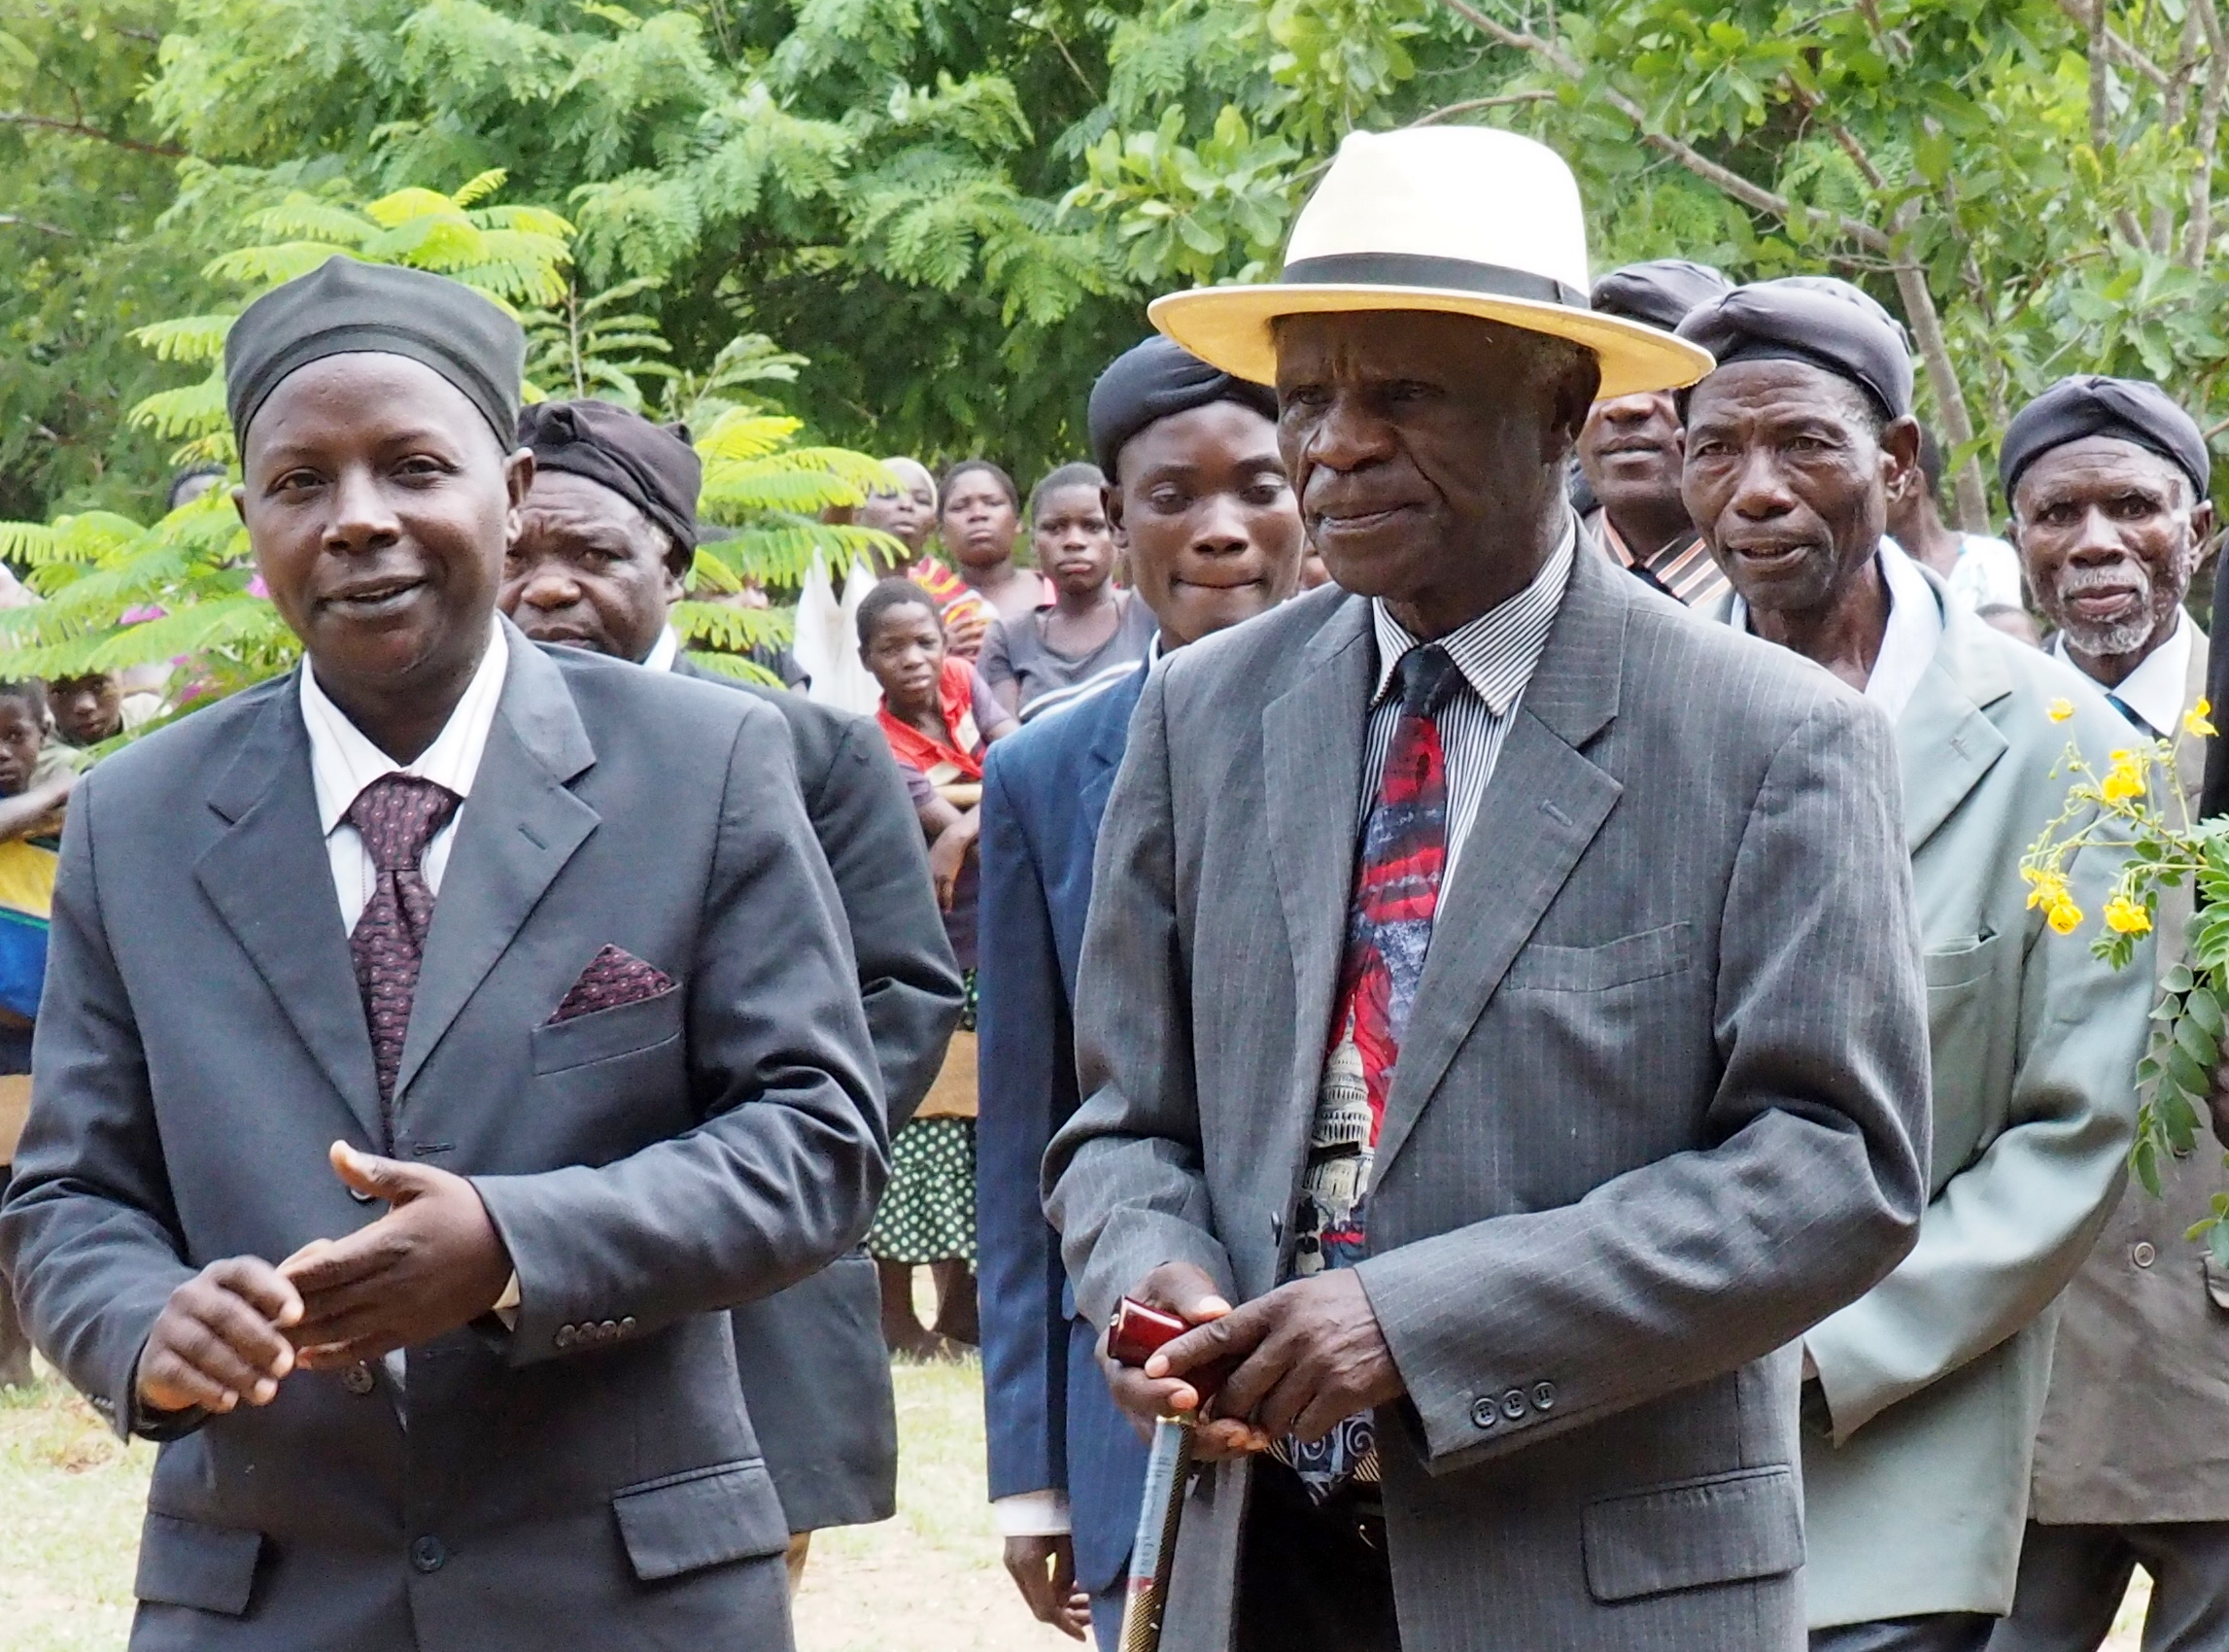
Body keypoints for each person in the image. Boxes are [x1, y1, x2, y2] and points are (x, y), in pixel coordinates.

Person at [1044, 125, 1933, 1652]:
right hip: (1258, 1569)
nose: (1331, 448)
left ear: (1561, 408)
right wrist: (1154, 1276)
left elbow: (1830, 1170)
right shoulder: (1204, 715)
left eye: (1400, 397)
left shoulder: (1768, 738)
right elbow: (1125, 1123)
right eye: (1307, 399)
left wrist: (1416, 1321)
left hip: (1597, 1586)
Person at [0, 257, 885, 1651]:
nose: (359, 521)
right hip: (265, 1594)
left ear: (512, 491)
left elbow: (815, 1138)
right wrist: (142, 1325)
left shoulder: (705, 767)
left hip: (627, 1595)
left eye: (413, 467)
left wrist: (515, 1244)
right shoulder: (138, 817)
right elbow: (70, 1192)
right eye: (301, 484)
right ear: (249, 523)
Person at [1678, 278, 2149, 1652]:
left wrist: (1821, 1357)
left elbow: (2074, 1127)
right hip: (1640, 1430)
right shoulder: (1624, 716)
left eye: (1802, 447)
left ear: (1893, 465)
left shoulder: (2072, 752)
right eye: (1716, 449)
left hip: (1901, 1446)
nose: (1754, 491)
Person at [500, 396, 965, 1590]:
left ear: (674, 558)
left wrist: (725, 1166)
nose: (546, 588)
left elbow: (901, 995)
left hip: (747, 1284)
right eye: (517, 554)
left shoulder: (810, 751)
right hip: (494, 1291)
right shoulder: (431, 766)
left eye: (592, 552)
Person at [977, 334, 1305, 1645]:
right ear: (1113, 525)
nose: (1221, 532)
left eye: (1259, 488)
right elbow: (1029, 1137)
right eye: (1175, 497)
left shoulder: (1420, 735)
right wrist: (1030, 1474)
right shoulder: (1047, 776)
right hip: (1148, 1414)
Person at [1989, 376, 2228, 1652]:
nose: (2092, 540)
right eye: (2054, 512)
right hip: (2019, 1352)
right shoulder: (1963, 736)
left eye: (2131, 507)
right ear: (2013, 534)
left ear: (2193, 534)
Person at [858, 578, 1017, 1358]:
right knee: (925, 1125)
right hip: (938, 954)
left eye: (925, 641)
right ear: (866, 661)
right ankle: (897, 1313)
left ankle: (964, 1309)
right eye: (892, 648)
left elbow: (1016, 760)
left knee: (986, 1125)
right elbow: (943, 814)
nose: (914, 660)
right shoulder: (878, 742)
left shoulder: (965, 688)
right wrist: (961, 828)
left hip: (1000, 941)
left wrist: (958, 840)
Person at [1579, 258, 1733, 605]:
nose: (1626, 405)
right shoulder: (1509, 587)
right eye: (1604, 379)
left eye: (1667, 377)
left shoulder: (1805, 604)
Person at [0, 678, 71, 1389]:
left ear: (41, 734)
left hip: (41, 1037)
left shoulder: (67, 818)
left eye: (15, 736)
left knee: (27, 1190)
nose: (2, 753)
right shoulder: (44, 809)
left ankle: (18, 1358)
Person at [978, 464, 1156, 721]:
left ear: (1119, 534)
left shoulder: (1151, 611)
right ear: (1033, 544)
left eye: (1093, 526)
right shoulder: (1009, 639)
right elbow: (1006, 743)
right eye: (1055, 528)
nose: (1074, 541)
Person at [794, 456, 941, 716]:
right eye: (888, 494)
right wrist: (848, 484)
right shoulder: (842, 580)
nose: (906, 505)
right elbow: (834, 540)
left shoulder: (937, 600)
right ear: (858, 511)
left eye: (921, 500)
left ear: (931, 524)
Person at [1890, 424, 2028, 613]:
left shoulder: (1989, 559)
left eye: (1882, 479)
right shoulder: (1880, 570)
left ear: (1913, 483)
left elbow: (2006, 636)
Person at [932, 461, 1046, 658]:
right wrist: (934, 651)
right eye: (960, 507)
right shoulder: (929, 607)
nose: (978, 515)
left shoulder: (1058, 591)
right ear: (941, 532)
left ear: (1018, 523)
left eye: (993, 503)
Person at [46, 672, 161, 748]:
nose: (84, 706)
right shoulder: (38, 750)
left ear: (123, 680)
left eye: (97, 686)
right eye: (62, 692)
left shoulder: (153, 715)